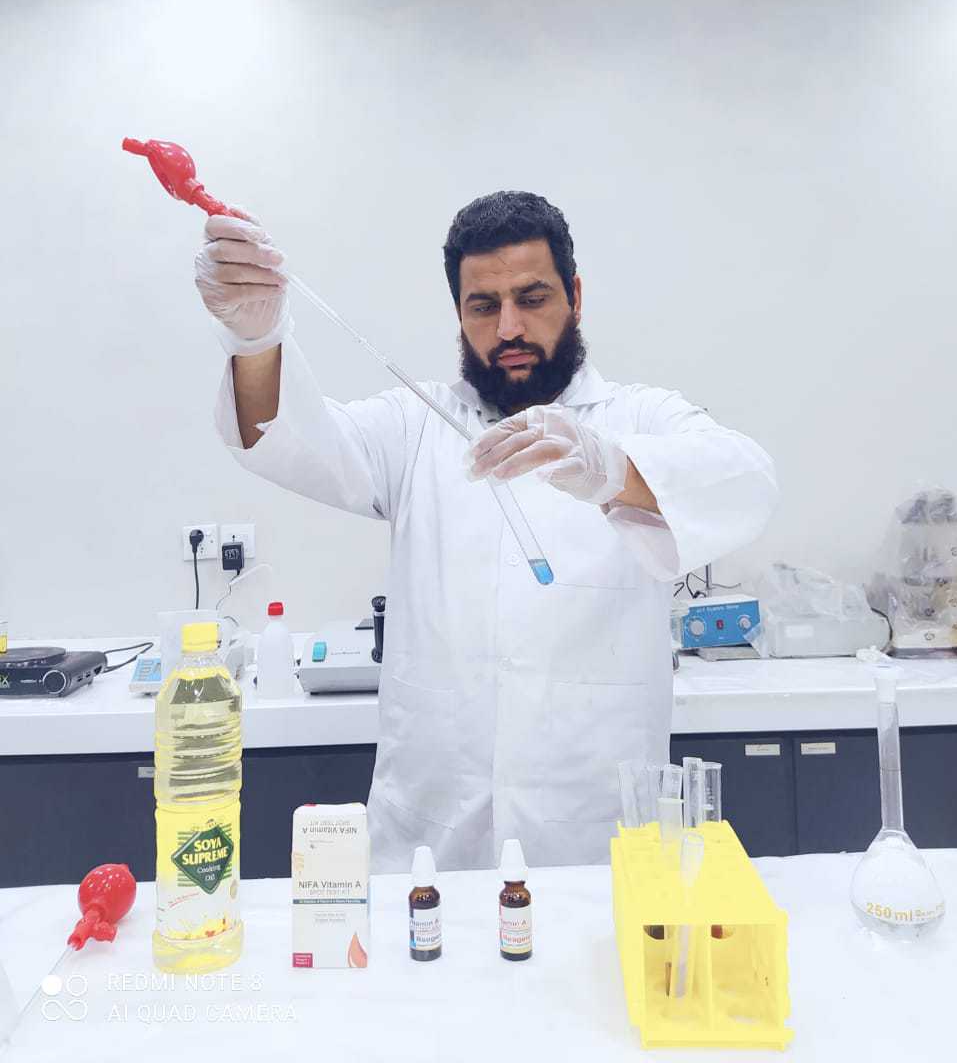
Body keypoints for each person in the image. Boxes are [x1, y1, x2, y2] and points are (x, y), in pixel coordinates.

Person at [196, 191, 777, 871]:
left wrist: (613, 468)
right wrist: (256, 341)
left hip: (595, 843)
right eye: (484, 306)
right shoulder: (415, 426)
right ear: (459, 312)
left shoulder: (639, 418)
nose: (508, 328)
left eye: (532, 298)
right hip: (433, 843)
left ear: (576, 295)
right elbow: (286, 439)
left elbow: (748, 481)